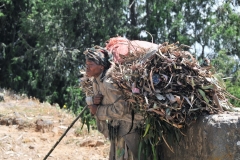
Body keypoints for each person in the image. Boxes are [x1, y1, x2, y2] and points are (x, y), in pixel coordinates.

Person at [83, 46, 143, 160]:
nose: (87, 68)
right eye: (86, 64)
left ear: (101, 66)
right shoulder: (96, 81)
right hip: (116, 127)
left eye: (91, 65)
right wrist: (94, 101)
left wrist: (98, 111)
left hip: (129, 127)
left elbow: (121, 109)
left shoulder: (108, 83)